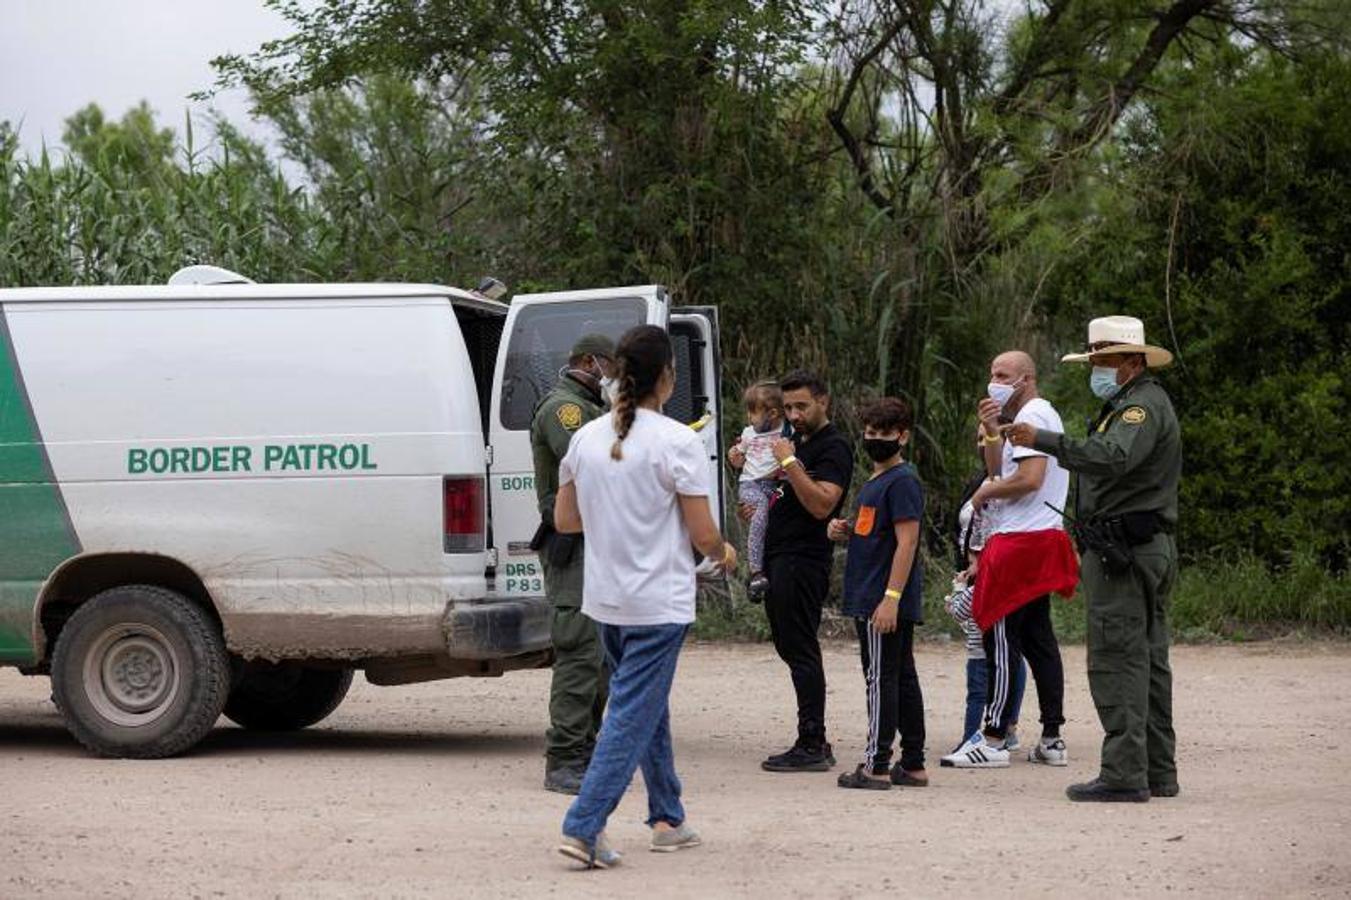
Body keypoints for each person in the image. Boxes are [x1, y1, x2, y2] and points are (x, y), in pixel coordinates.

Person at [554, 325, 737, 868]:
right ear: (667, 377)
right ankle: (584, 826)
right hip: (658, 603)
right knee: (631, 714)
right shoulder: (678, 440)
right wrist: (725, 553)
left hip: (607, 599)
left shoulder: (586, 438)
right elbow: (704, 536)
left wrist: (614, 515)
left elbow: (566, 520)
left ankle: (667, 818)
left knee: (642, 708)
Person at [1004, 315, 1181, 803]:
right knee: (1147, 658)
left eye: (1100, 361)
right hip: (1138, 547)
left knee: (1119, 657)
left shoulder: (1138, 409)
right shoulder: (1133, 403)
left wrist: (1040, 440)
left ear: (1128, 361)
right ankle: (1155, 769)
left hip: (1124, 552)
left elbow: (1110, 457)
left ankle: (1126, 773)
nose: (1094, 370)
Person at [942, 351, 1078, 770]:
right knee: (1039, 639)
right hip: (1039, 537)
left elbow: (1026, 480)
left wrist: (983, 494)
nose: (994, 382)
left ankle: (995, 736)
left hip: (1019, 540)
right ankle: (1052, 737)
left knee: (998, 634)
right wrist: (989, 431)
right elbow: (999, 470)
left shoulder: (1034, 413)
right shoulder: (1029, 417)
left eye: (1003, 375)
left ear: (1026, 379)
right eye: (991, 373)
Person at [753, 371, 854, 773]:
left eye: (802, 406)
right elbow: (788, 493)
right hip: (780, 555)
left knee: (801, 648)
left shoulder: (833, 448)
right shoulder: (798, 443)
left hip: (804, 559)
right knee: (789, 645)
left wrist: (789, 463)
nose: (794, 414)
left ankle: (813, 741)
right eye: (789, 407)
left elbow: (821, 505)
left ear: (823, 402)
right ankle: (810, 737)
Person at [826, 397, 928, 790]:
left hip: (880, 599)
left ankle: (876, 764)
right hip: (873, 593)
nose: (875, 440)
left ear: (902, 436)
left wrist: (891, 597)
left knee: (880, 679)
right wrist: (847, 529)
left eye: (884, 434)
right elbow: (879, 531)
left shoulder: (902, 480)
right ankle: (913, 763)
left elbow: (908, 541)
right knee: (900, 676)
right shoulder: (877, 481)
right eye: (870, 433)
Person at [530, 333, 616, 794]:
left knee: (602, 657)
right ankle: (564, 757)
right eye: (610, 368)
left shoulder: (592, 410)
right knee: (581, 653)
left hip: (598, 543)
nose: (615, 379)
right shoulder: (565, 410)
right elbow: (591, 464)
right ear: (590, 362)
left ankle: (585, 748)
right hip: (573, 543)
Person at [945, 497, 1027, 752]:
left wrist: (957, 590)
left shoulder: (978, 589)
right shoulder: (1007, 585)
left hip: (979, 655)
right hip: (1000, 654)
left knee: (977, 697)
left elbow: (959, 613)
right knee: (1003, 690)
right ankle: (1007, 731)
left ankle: (970, 739)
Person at [726, 381, 788, 601]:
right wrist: (734, 457)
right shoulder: (749, 433)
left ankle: (763, 578)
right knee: (759, 513)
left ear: (772, 413)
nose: (749, 417)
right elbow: (739, 458)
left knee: (770, 522)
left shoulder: (785, 431)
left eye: (753, 412)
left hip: (774, 485)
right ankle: (755, 571)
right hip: (751, 484)